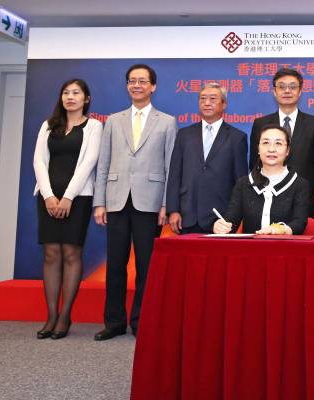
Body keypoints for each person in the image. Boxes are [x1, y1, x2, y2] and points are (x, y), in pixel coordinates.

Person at [93, 64, 177, 341]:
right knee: (115, 264)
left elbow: (169, 167)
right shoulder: (113, 121)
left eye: (142, 81)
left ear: (153, 86)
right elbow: (103, 164)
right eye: (132, 81)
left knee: (145, 266)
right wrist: (99, 202)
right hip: (116, 200)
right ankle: (114, 321)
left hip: (150, 202)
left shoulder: (166, 121)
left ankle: (141, 320)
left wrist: (167, 204)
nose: (136, 85)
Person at [32, 78, 102, 339]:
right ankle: (50, 315)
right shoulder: (49, 125)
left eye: (76, 93)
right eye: (66, 92)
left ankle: (65, 316)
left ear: (87, 99)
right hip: (48, 196)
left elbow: (88, 163)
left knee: (71, 253)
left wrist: (68, 197)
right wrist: (50, 196)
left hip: (78, 197)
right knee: (51, 253)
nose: (70, 97)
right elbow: (38, 161)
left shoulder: (94, 126)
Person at [166, 82, 247, 234]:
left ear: (224, 104)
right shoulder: (184, 135)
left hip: (221, 219)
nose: (207, 103)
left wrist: (232, 218)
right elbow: (175, 175)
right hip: (187, 216)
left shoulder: (237, 138)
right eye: (202, 99)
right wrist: (173, 210)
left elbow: (240, 183)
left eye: (213, 99)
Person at [249, 68, 314, 215]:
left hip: (302, 200)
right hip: (266, 196)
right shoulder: (260, 123)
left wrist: (305, 191)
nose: (287, 91)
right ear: (274, 92)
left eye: (292, 86)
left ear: (300, 91)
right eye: (282, 87)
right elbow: (254, 162)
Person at [213, 125, 311, 235]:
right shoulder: (244, 183)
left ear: (287, 150)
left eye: (278, 143)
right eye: (265, 143)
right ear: (258, 149)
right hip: (250, 250)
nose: (271, 149)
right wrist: (221, 226)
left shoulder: (299, 184)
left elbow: (299, 223)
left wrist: (279, 229)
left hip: (284, 249)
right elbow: (231, 220)